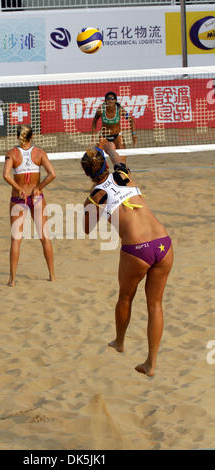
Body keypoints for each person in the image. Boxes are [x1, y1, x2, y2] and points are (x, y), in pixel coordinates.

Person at [81, 139, 173, 377]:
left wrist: (89, 201)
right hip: (164, 243)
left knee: (125, 297)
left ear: (88, 174)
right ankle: (151, 363)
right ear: (106, 165)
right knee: (155, 304)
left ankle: (120, 341)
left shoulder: (96, 195)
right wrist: (108, 147)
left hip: (138, 249)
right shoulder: (123, 174)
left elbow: (86, 228)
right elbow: (116, 155)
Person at [3, 125, 56, 287]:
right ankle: (52, 275)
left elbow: (5, 175)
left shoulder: (12, 154)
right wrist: (39, 187)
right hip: (36, 197)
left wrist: (19, 189)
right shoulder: (39, 153)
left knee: (16, 240)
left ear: (18, 136)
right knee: (44, 237)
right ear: (31, 136)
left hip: (19, 198)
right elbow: (52, 174)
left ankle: (12, 280)